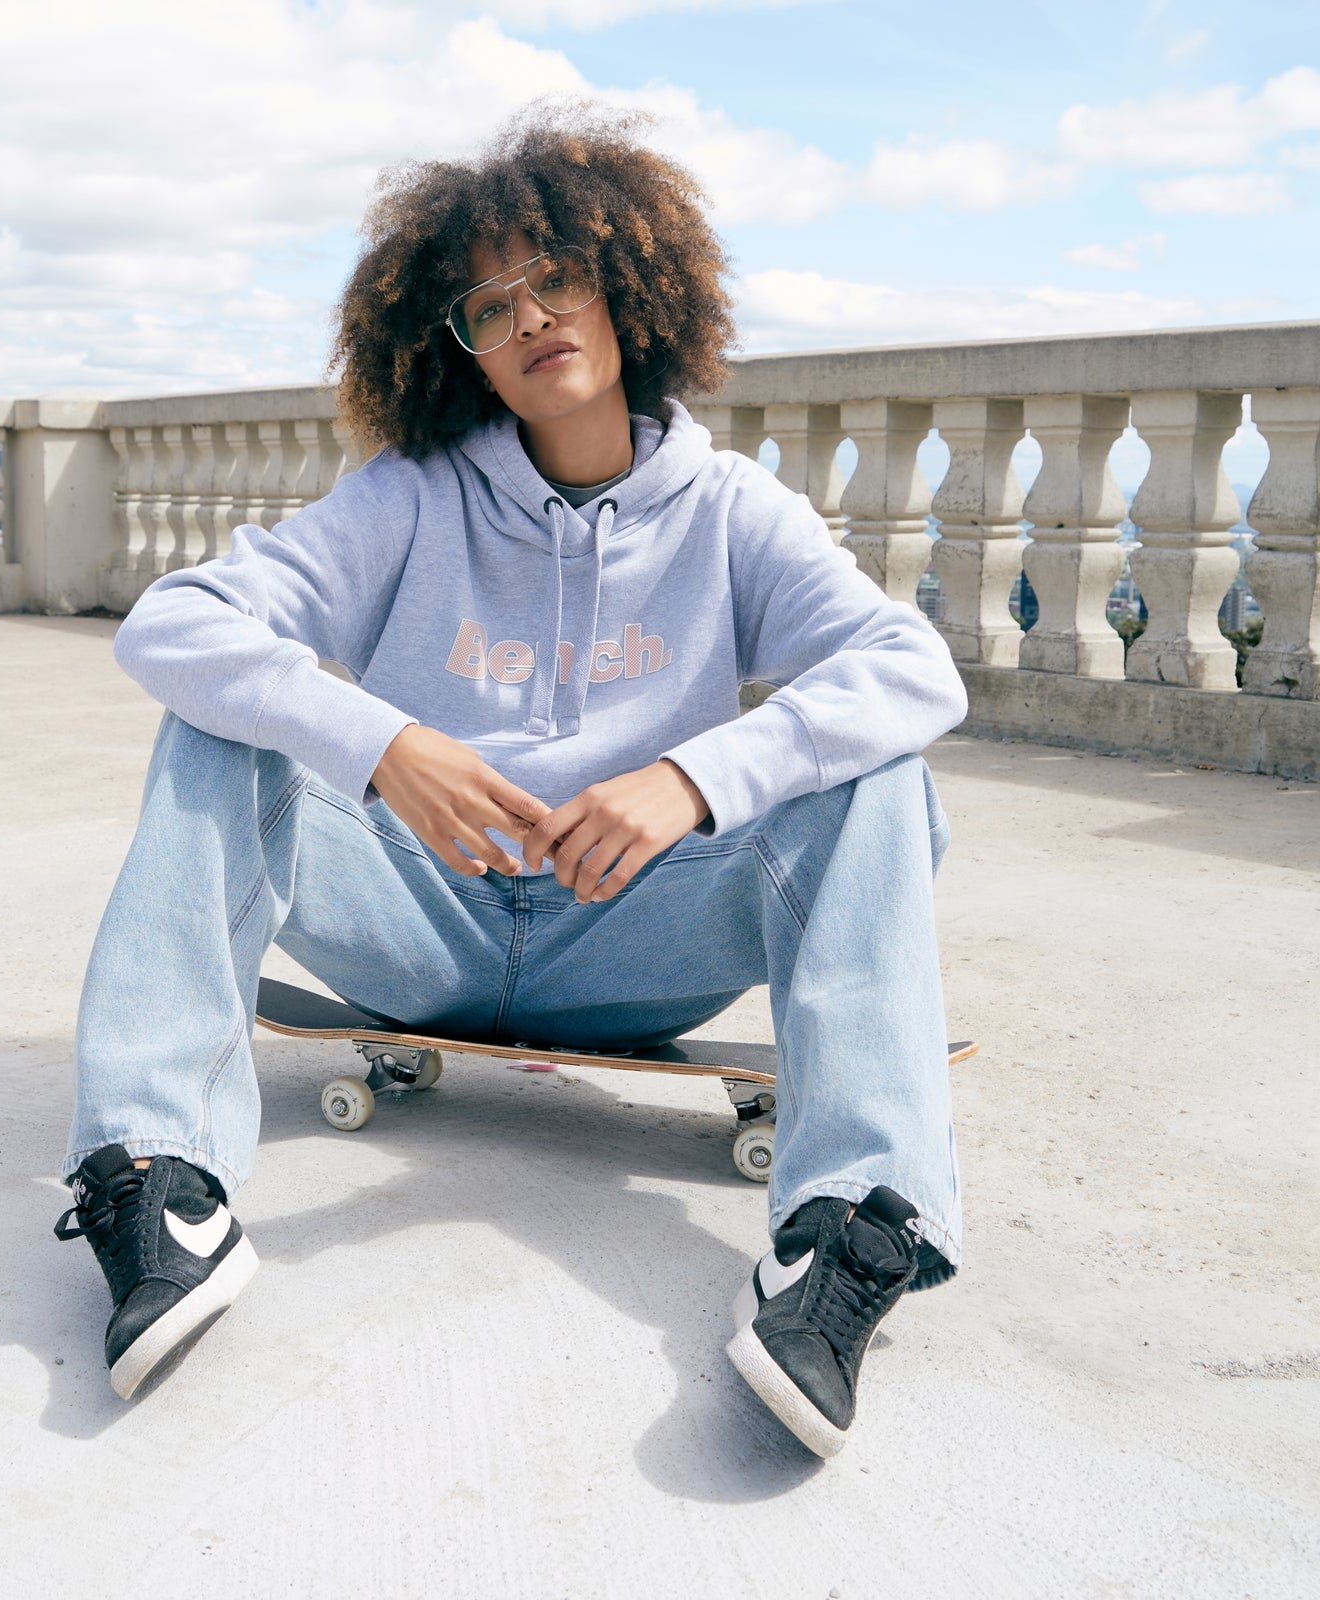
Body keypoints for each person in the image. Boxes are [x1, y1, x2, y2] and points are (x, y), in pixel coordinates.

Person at [53, 109, 968, 1459]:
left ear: (630, 285)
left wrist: (693, 779)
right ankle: (156, 1180)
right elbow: (173, 624)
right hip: (416, 922)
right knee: (219, 726)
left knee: (878, 777)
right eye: (489, 306)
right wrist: (382, 744)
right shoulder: (410, 498)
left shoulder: (734, 512)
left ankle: (842, 1231)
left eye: (558, 275)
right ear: (459, 351)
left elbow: (913, 668)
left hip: (638, 938)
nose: (532, 315)